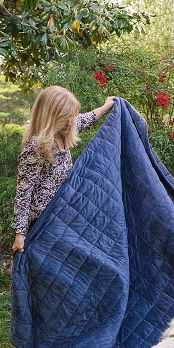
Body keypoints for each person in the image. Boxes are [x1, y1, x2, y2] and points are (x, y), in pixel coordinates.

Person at [12, 86, 115, 253]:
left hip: (62, 214)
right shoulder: (36, 148)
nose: (70, 122)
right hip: (42, 222)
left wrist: (105, 108)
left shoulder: (63, 133)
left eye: (71, 117)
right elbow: (24, 192)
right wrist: (20, 233)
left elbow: (82, 120)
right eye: (64, 118)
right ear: (51, 117)